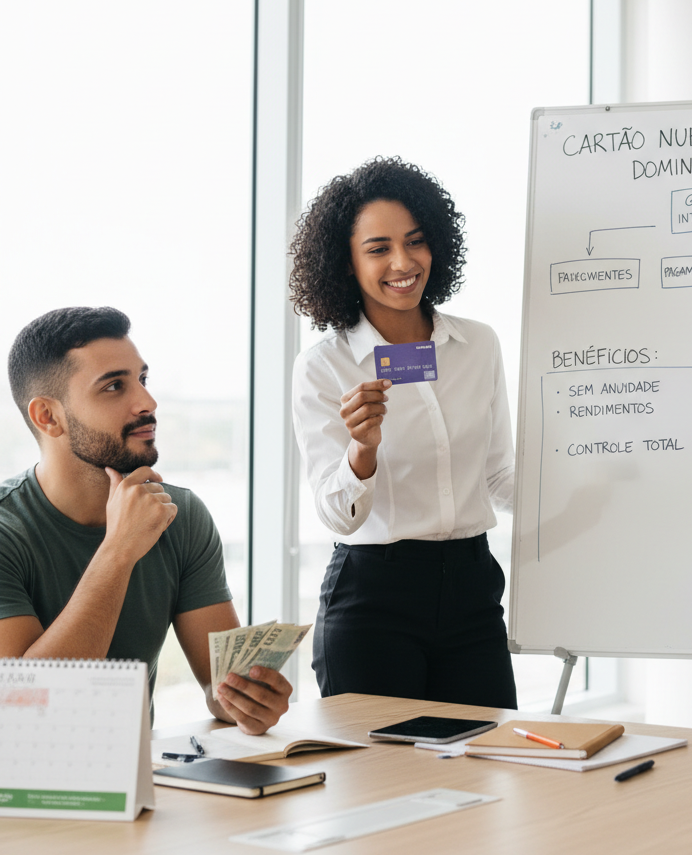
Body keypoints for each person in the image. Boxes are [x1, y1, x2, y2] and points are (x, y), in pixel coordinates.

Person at [290, 156, 517, 708]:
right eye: (378, 249)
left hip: (472, 590)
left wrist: (599, 468)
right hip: (374, 597)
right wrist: (362, 449)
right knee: (379, 783)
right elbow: (337, 513)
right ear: (345, 263)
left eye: (415, 242)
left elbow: (499, 476)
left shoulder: (478, 345)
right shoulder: (324, 366)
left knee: (487, 772)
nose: (402, 262)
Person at [0, 306, 291, 732]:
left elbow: (219, 687)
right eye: (114, 386)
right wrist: (118, 550)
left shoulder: (180, 516)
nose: (147, 403)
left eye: (142, 379)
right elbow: (29, 712)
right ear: (48, 416)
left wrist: (250, 701)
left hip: (139, 783)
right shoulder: (9, 531)